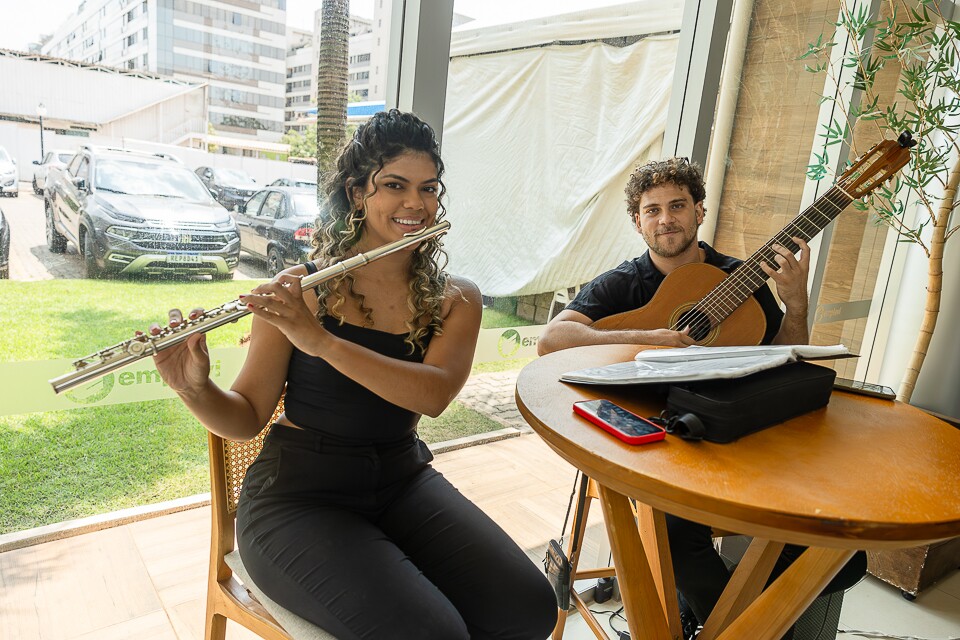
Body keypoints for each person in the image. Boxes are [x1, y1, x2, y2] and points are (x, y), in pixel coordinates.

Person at [148, 110, 557, 640]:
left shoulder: (456, 298)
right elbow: (246, 418)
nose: (416, 203)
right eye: (394, 186)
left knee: (527, 608)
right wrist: (193, 388)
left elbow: (432, 395)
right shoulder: (300, 292)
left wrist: (320, 341)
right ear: (358, 194)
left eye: (428, 188)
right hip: (297, 498)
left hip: (401, 480)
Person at [538, 157, 865, 638]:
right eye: (652, 210)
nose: (665, 219)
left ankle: (715, 616)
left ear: (699, 212)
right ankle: (746, 624)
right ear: (638, 222)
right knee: (674, 534)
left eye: (677, 206)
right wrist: (653, 337)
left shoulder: (742, 279)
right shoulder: (623, 283)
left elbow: (788, 359)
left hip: (737, 436)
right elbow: (552, 340)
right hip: (655, 439)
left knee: (843, 553)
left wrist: (796, 300)